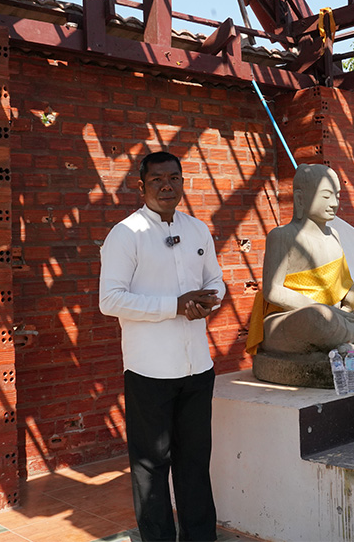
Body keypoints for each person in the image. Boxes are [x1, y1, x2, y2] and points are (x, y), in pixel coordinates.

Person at [99, 151, 224, 542]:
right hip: (150, 370)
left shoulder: (198, 229)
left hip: (197, 368)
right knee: (151, 467)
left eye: (174, 178)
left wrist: (209, 298)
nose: (167, 186)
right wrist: (173, 306)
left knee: (194, 463)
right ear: (141, 186)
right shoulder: (126, 234)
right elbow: (110, 300)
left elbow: (216, 279)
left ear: (183, 182)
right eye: (157, 180)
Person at [246, 163, 354, 359]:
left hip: (341, 318)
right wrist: (327, 310)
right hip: (292, 318)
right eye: (325, 196)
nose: (333, 203)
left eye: (337, 196)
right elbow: (273, 291)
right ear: (300, 198)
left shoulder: (334, 236)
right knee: (318, 318)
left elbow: (344, 286)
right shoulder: (282, 236)